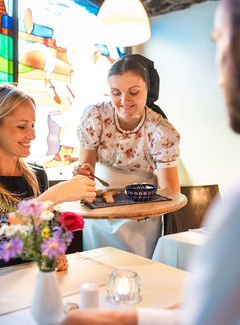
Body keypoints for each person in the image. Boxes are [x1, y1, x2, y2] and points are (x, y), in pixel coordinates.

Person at [61, 0, 240, 323]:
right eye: (116, 93)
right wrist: (136, 319)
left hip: (143, 211)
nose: (219, 79)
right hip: (102, 205)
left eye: (218, 42)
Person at [0, 84, 96, 276]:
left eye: (33, 125)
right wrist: (53, 196)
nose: (33, 135)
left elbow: (45, 234)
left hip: (28, 279)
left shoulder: (37, 175)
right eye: (22, 126)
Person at [75, 54, 181, 258]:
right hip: (100, 210)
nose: (124, 101)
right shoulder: (95, 117)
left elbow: (170, 191)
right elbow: (86, 172)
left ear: (146, 90)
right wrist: (83, 175)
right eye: (116, 92)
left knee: (139, 274)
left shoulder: (160, 131)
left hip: (142, 215)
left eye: (133, 92)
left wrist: (136, 208)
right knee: (98, 269)